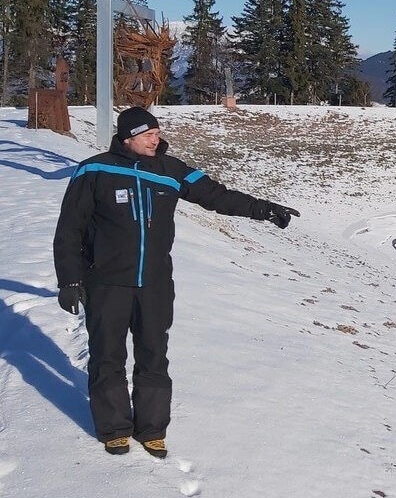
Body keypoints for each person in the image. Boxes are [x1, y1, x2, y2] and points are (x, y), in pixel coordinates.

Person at [53, 106, 299, 458]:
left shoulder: (172, 170)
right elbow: (69, 230)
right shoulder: (94, 170)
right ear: (128, 138)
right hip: (107, 282)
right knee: (107, 355)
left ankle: (152, 429)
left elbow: (217, 196)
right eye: (148, 135)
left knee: (154, 355)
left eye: (156, 132)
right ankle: (114, 429)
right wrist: (69, 280)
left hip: (154, 284)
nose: (157, 139)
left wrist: (263, 209)